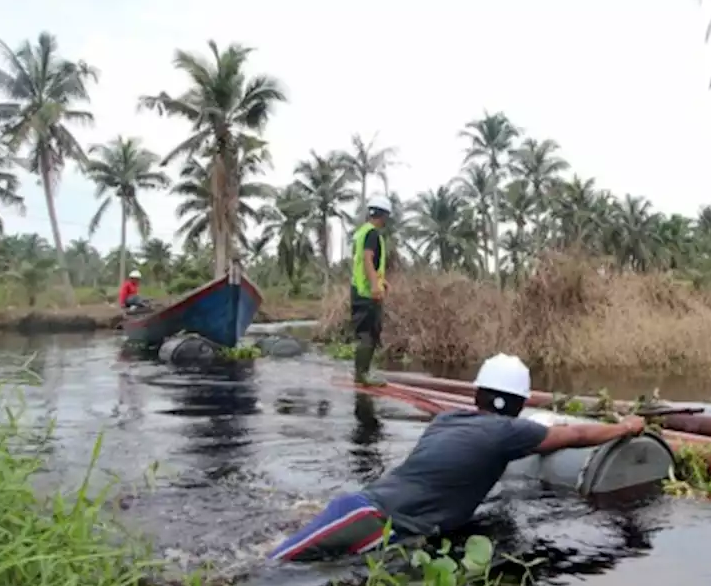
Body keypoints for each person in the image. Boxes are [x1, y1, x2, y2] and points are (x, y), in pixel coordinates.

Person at [268, 353, 647, 562]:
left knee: (285, 559)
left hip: (363, 511)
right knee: (268, 569)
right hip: (372, 522)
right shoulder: (508, 432)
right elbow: (576, 433)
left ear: (478, 393)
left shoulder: (448, 417)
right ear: (517, 404)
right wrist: (624, 428)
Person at [350, 194, 392, 385]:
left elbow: (369, 263)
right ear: (383, 216)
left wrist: (381, 281)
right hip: (366, 293)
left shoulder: (362, 232)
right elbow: (368, 259)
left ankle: (362, 372)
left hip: (360, 290)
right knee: (368, 333)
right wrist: (375, 285)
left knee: (368, 332)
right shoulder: (372, 234)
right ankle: (362, 375)